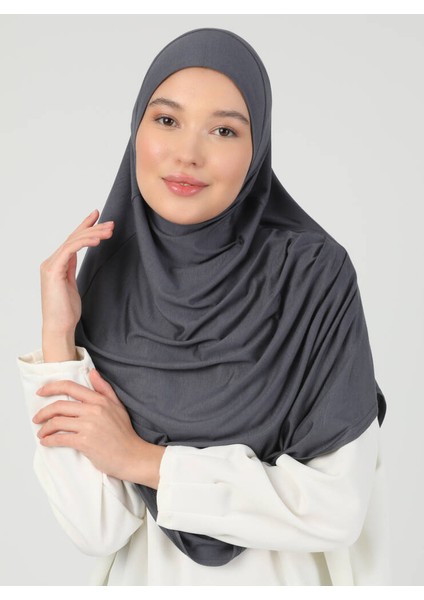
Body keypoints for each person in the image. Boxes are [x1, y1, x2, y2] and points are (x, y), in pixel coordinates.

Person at [17, 28, 388, 585]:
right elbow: (96, 529)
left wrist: (143, 460)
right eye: (167, 120)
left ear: (257, 149)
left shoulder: (312, 275)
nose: (187, 154)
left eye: (224, 130)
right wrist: (57, 338)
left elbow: (337, 508)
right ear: (137, 130)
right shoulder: (112, 279)